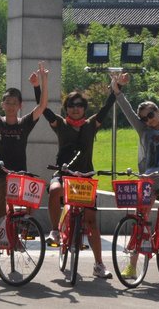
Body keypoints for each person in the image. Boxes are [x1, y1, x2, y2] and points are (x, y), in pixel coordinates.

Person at [35, 76, 117, 279]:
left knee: (91, 223)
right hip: (64, 175)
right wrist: (37, 86)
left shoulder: (91, 125)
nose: (75, 108)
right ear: (66, 108)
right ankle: (55, 230)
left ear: (84, 108)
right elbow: (43, 108)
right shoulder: (60, 124)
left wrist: (118, 87)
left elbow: (107, 108)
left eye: (79, 105)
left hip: (85, 178)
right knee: (54, 190)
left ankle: (99, 264)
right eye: (71, 105)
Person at [112, 56, 159, 276]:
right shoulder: (143, 131)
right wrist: (116, 89)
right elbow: (125, 109)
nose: (148, 120)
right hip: (149, 181)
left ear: (158, 113)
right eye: (144, 118)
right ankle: (132, 265)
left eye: (151, 115)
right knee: (140, 217)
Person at [0, 61, 48, 278]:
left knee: (23, 214)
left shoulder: (25, 123)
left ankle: (14, 239)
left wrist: (43, 81)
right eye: (7, 102)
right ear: (3, 104)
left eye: (15, 102)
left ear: (20, 105)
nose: (11, 105)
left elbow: (42, 106)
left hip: (19, 178)